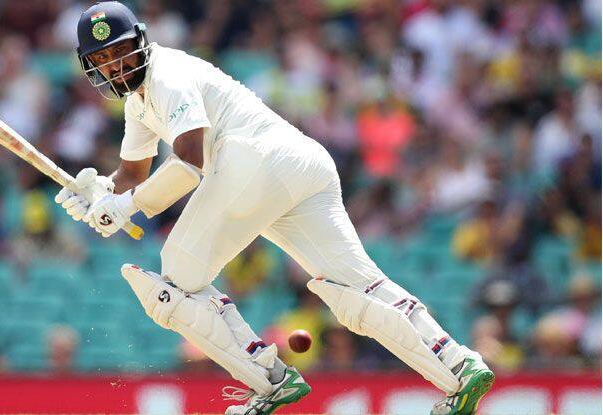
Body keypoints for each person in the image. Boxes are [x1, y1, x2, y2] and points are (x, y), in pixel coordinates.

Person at [54, 2, 494, 414]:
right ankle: (458, 367)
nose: (116, 66)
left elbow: (188, 163)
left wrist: (126, 206)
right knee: (357, 289)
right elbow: (132, 171)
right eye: (104, 59)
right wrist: (99, 192)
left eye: (122, 52)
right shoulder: (139, 103)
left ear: (141, 42)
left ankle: (270, 380)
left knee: (174, 284)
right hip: (299, 163)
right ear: (91, 65)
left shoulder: (167, 76)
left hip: (254, 162)